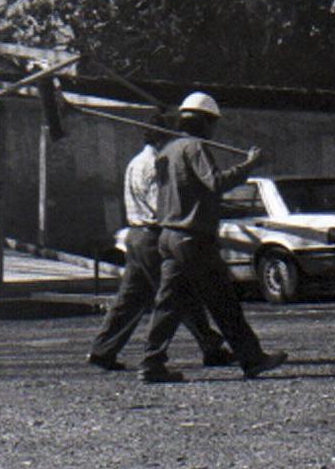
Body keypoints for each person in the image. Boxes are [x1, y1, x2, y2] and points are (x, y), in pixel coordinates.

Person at [138, 92, 287, 384]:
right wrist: (249, 164)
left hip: (168, 236)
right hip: (193, 238)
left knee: (168, 305)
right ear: (206, 122)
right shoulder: (195, 147)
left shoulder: (167, 150)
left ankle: (151, 363)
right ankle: (253, 358)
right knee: (223, 301)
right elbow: (215, 183)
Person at [87, 114, 235, 371]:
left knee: (131, 298)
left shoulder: (135, 162)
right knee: (179, 294)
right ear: (161, 136)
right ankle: (210, 347)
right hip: (154, 236)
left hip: (135, 235)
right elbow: (164, 206)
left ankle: (103, 349)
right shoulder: (157, 164)